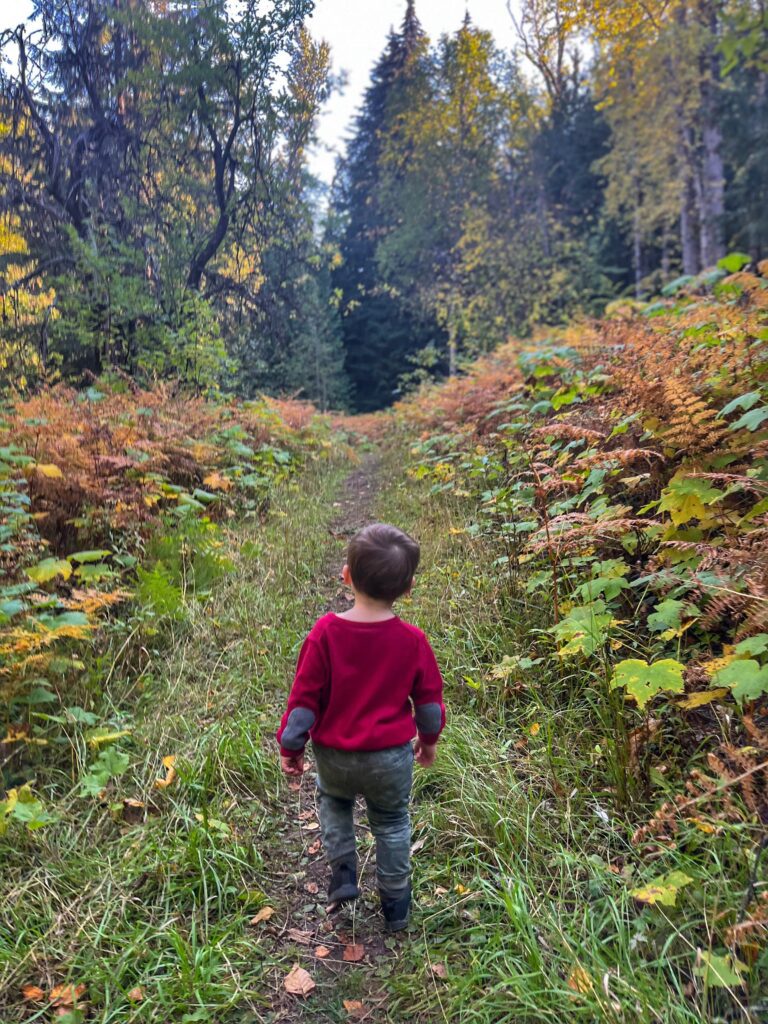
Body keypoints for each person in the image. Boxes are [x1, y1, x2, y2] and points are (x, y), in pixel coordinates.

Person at [276, 522, 445, 931]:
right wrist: (428, 742)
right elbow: (429, 705)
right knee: (391, 822)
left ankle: (343, 873)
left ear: (347, 575)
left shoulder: (325, 634)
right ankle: (396, 904)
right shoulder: (413, 641)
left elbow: (303, 702)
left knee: (334, 804)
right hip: (390, 758)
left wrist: (291, 747)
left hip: (335, 756)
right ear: (408, 588)